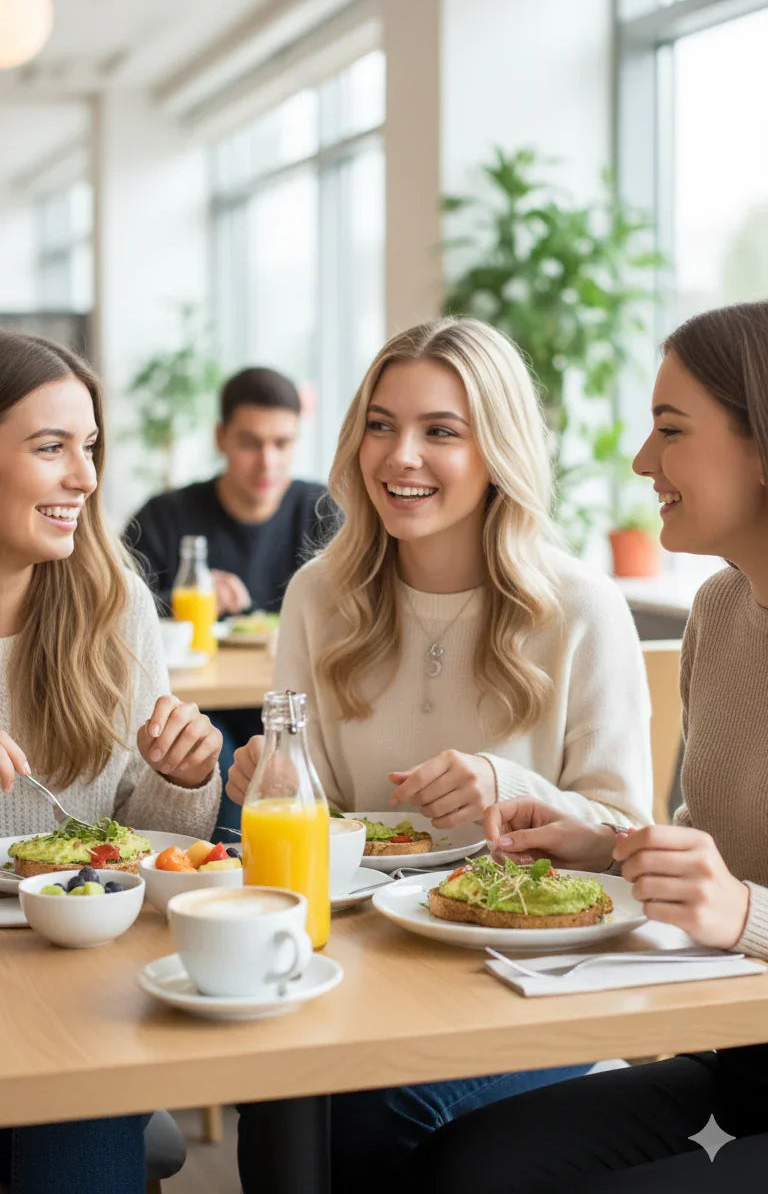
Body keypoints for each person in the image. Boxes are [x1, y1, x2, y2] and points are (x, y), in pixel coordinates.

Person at [228, 317, 653, 1192]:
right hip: (363, 964)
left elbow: (628, 838)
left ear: (496, 450)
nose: (400, 457)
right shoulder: (320, 595)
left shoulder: (579, 607)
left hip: (527, 980)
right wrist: (268, 781)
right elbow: (323, 816)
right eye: (381, 425)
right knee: (273, 1098)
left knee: (367, 1114)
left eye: (440, 432)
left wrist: (509, 783)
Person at [404, 300, 768, 1194]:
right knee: (461, 1170)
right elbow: (715, 854)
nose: (643, 460)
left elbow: (735, 901)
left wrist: (743, 918)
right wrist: (602, 847)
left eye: (670, 430)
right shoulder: (720, 616)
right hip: (743, 1069)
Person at [0, 329, 222, 1194]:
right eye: (50, 447)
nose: (86, 480)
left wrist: (183, 777)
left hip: (83, 976)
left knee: (75, 1118)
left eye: (89, 448)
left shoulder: (112, 600)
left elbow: (141, 843)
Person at [123, 365, 336, 842]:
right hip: (201, 705)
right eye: (250, 443)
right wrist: (181, 600)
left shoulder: (322, 511)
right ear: (220, 438)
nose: (267, 462)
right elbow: (117, 603)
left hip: (289, 704)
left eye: (282, 444)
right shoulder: (165, 516)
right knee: (218, 751)